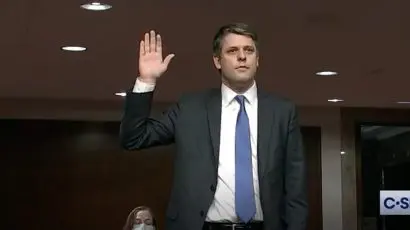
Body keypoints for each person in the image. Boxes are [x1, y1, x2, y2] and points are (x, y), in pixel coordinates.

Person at [120, 23, 308, 230]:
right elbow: (134, 138)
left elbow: (295, 187)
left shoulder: (282, 112)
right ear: (217, 61)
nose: (242, 57)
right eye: (232, 51)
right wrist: (146, 80)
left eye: (249, 50)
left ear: (258, 59)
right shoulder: (190, 108)